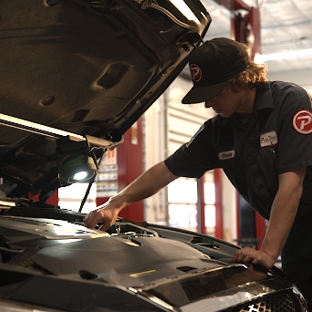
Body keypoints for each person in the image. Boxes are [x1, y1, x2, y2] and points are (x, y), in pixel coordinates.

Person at [84, 37, 312, 307]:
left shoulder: (289, 102)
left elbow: (292, 185)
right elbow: (167, 170)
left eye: (214, 92)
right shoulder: (218, 132)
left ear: (240, 80)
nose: (207, 103)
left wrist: (268, 252)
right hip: (298, 233)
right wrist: (116, 202)